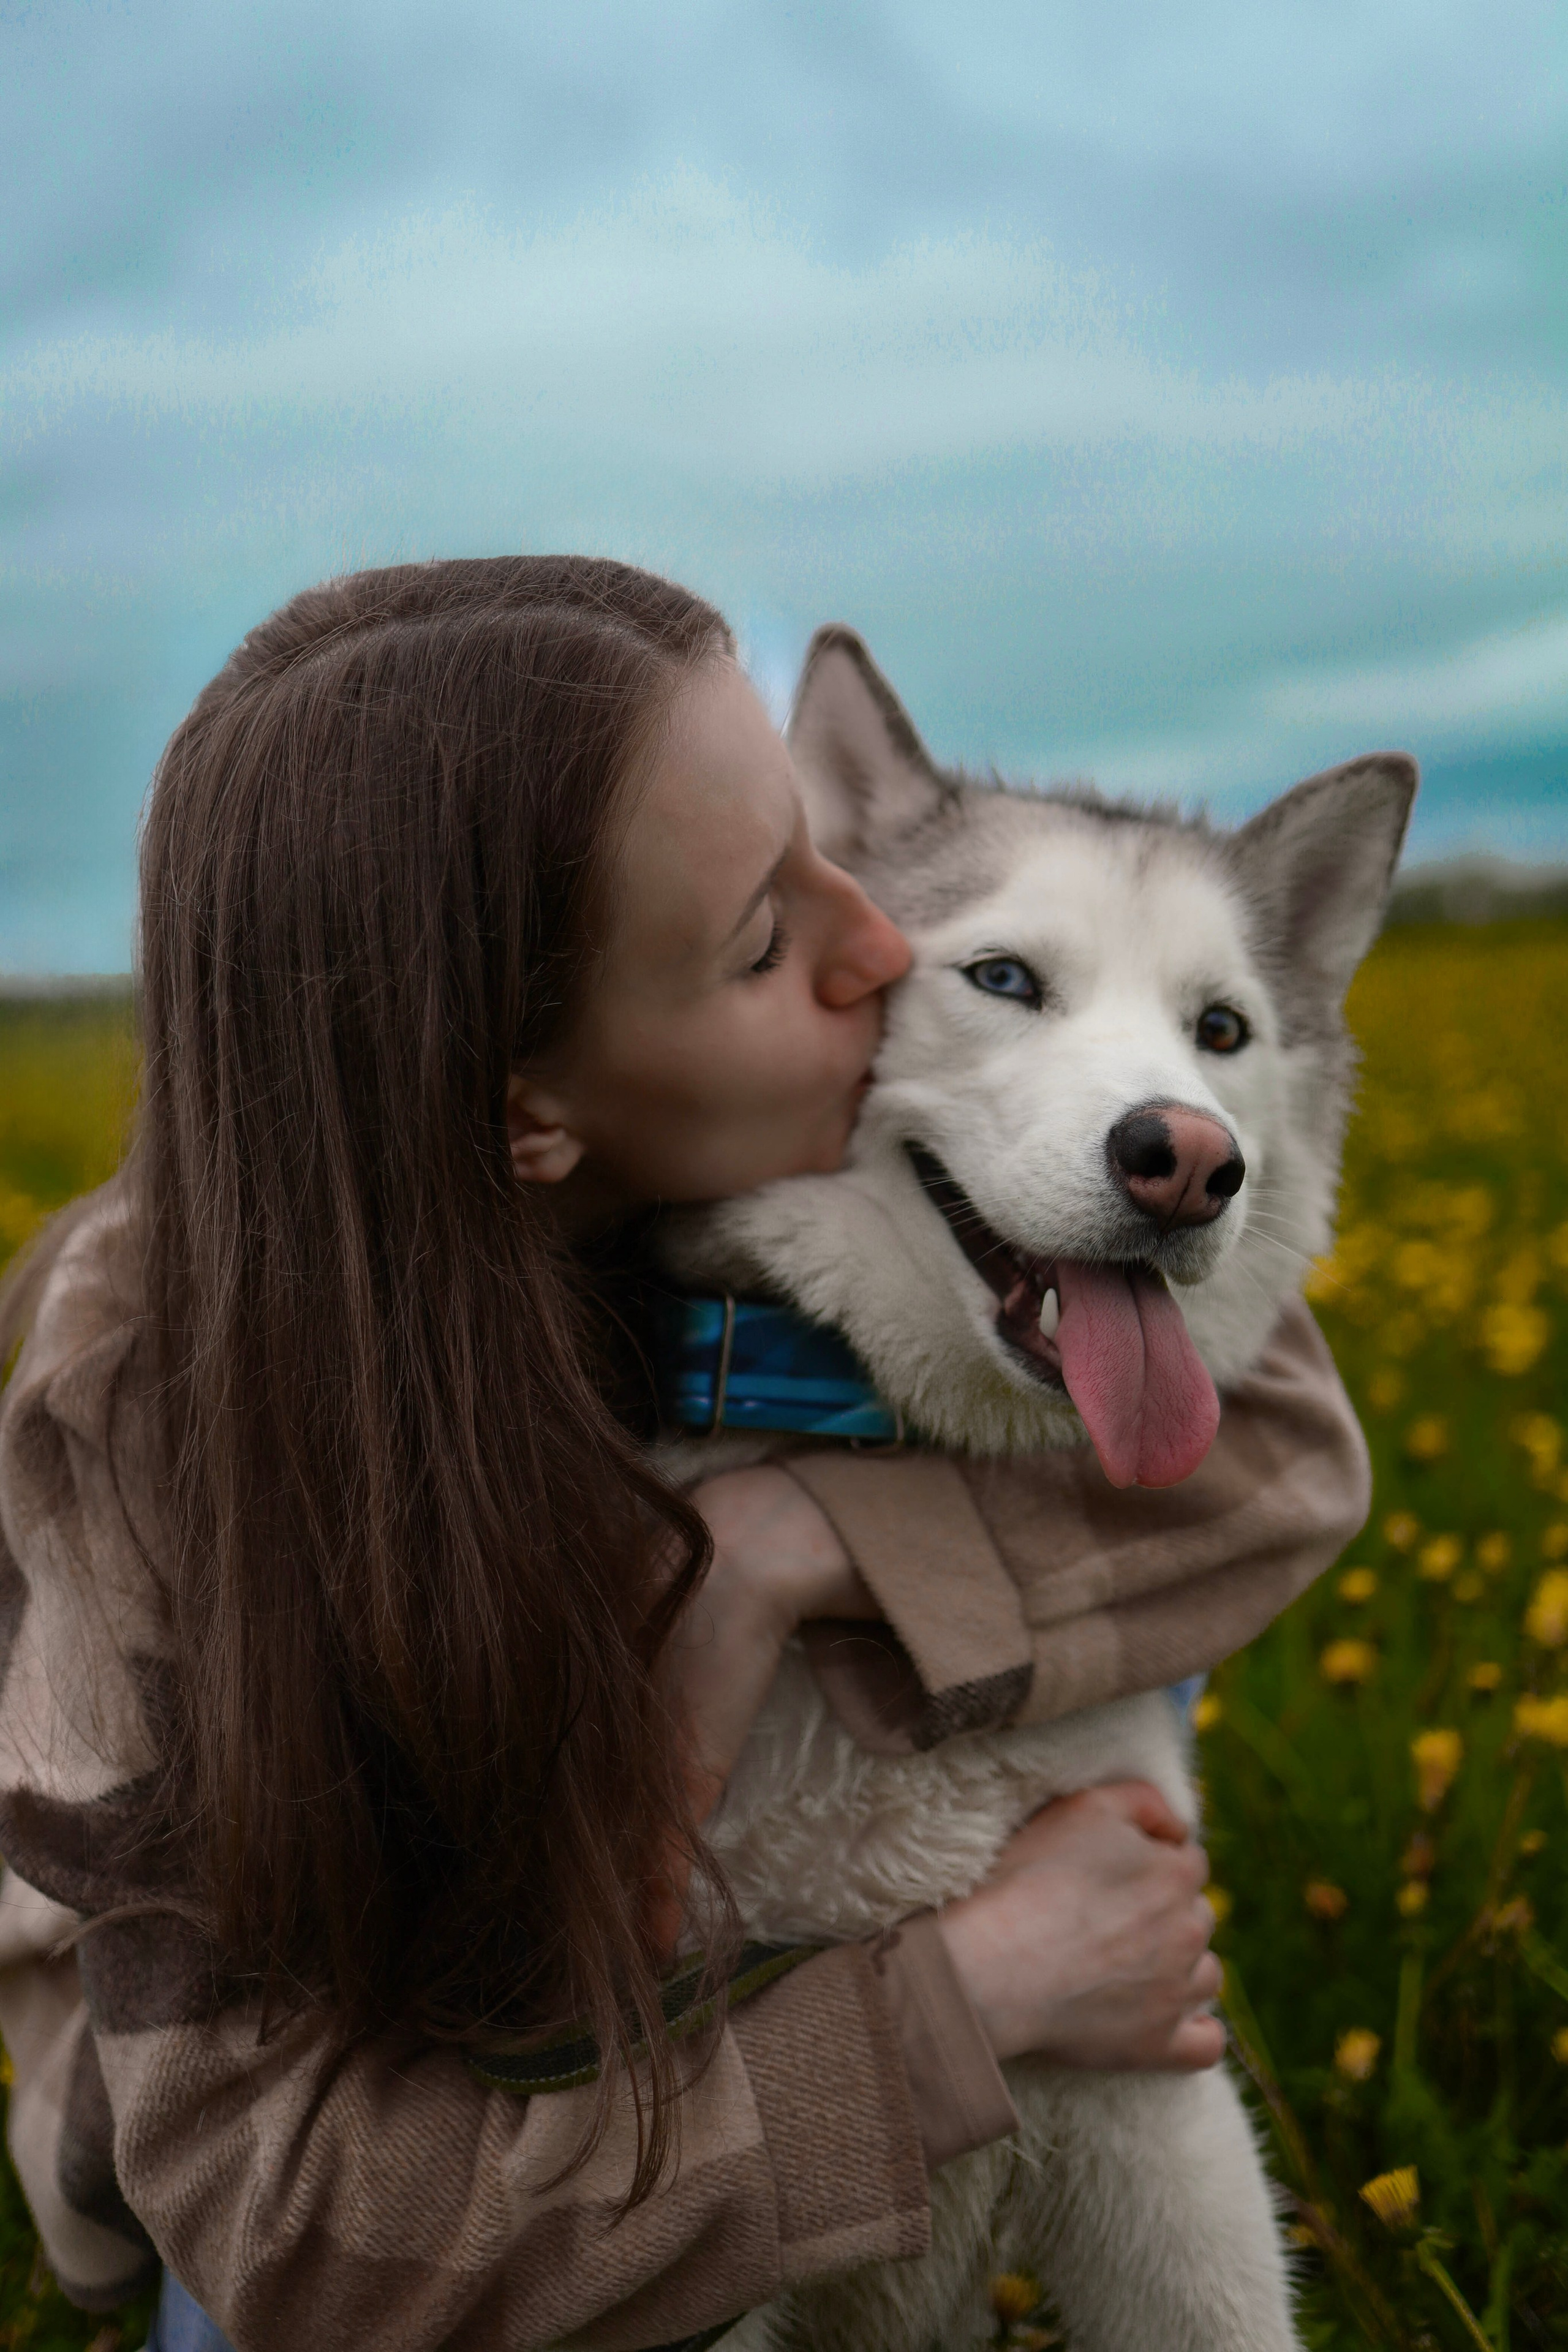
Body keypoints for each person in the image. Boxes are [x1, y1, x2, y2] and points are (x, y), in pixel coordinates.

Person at [0, 557, 1369, 2352]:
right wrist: (973, 1995)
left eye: (827, 853)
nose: (877, 937)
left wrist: (788, 1546)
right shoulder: (158, 1406)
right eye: (761, 936)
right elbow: (310, 2223)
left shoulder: (933, 1197)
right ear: (525, 1109)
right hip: (327, 2198)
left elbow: (1277, 1432)